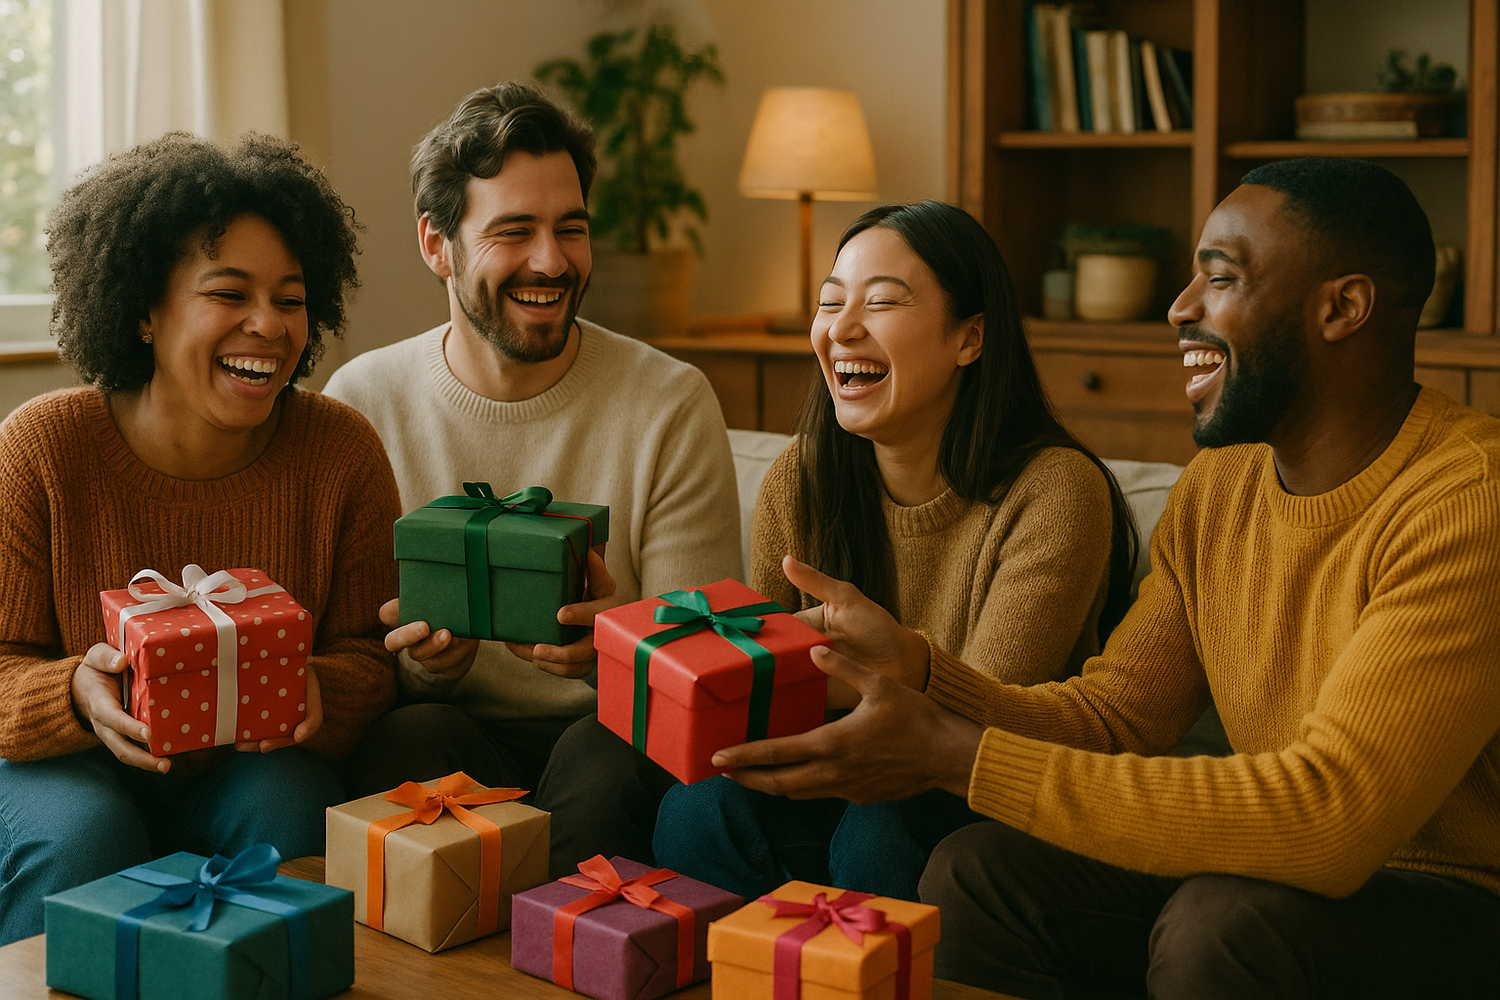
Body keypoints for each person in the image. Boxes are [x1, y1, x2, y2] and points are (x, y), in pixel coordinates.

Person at [704, 157, 1500, 999]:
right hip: (1263, 868)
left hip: (1451, 895)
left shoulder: (1466, 502)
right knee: (979, 872)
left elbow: (1329, 817)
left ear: (1341, 307)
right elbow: (1114, 717)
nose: (1180, 308)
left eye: (1219, 278)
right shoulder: (1220, 487)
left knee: (1223, 924)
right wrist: (922, 672)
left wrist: (956, 752)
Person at [653, 201, 1138, 902]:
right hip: (839, 769)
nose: (841, 328)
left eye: (881, 302)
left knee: (882, 829)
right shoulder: (801, 479)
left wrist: (863, 669)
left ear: (970, 337)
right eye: (831, 302)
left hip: (982, 787)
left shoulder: (1056, 490)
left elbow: (980, 716)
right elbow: (764, 687)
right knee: (700, 808)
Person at [323, 81, 741, 874]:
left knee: (606, 754)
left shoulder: (669, 401)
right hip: (443, 734)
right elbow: (348, 662)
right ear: (436, 244)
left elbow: (703, 672)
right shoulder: (363, 402)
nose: (551, 261)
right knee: (408, 740)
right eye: (514, 231)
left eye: (570, 229)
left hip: (611, 740)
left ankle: (570, 941)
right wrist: (420, 665)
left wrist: (620, 647)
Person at [0, 133, 400, 943]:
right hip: (68, 769)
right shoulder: (42, 448)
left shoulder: (342, 452)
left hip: (254, 769)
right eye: (229, 293)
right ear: (144, 310)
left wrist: (313, 688)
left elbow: (373, 654)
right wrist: (75, 692)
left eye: (291, 299)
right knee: (85, 836)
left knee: (290, 809)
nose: (268, 324)